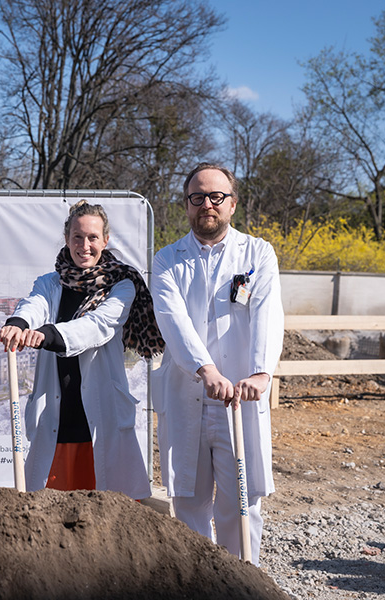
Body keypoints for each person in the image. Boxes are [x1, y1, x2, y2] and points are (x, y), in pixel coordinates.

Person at [151, 163, 284, 566]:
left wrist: (261, 372)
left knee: (240, 502)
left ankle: (242, 582)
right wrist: (206, 370)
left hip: (239, 399)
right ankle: (196, 584)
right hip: (188, 393)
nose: (206, 204)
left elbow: (267, 314)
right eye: (198, 197)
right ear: (186, 204)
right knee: (188, 502)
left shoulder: (257, 254)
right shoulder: (167, 260)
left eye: (216, 196)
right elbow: (172, 320)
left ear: (232, 203)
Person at [0, 200, 162, 499]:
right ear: (66, 238)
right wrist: (18, 324)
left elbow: (97, 326)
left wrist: (45, 335)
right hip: (57, 412)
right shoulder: (50, 283)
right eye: (77, 237)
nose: (84, 246)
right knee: (50, 507)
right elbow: (34, 304)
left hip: (101, 411)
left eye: (92, 237)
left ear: (105, 240)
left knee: (106, 507)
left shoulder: (122, 285)